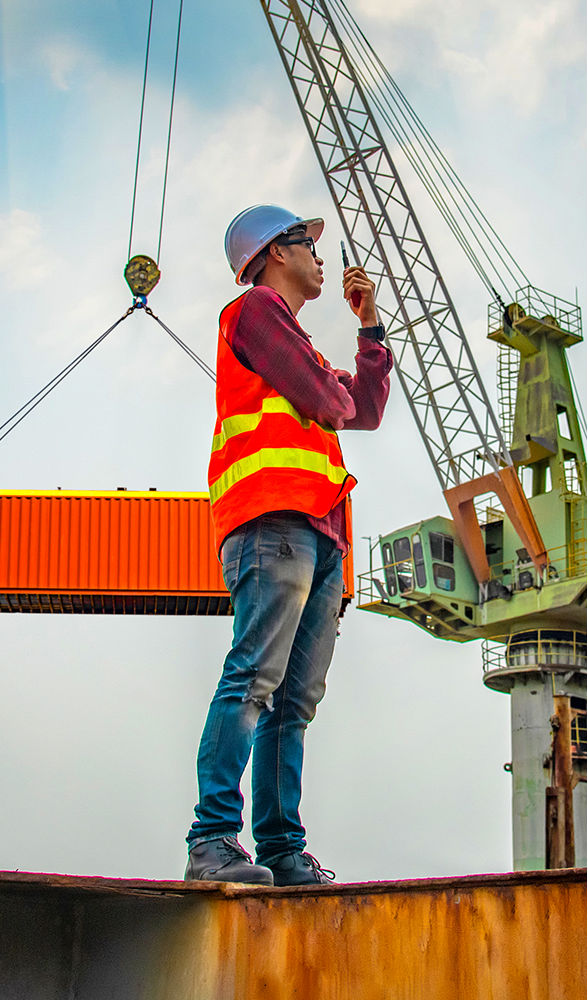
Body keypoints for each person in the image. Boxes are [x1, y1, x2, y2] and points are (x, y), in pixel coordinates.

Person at [184, 205, 393, 885]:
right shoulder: (254, 316)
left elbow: (363, 406)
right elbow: (335, 404)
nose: (320, 256)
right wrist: (335, 389)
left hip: (320, 532)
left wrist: (368, 324)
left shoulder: (293, 342)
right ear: (277, 252)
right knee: (254, 679)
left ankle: (280, 849)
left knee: (294, 700)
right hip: (273, 522)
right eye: (309, 244)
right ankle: (212, 840)